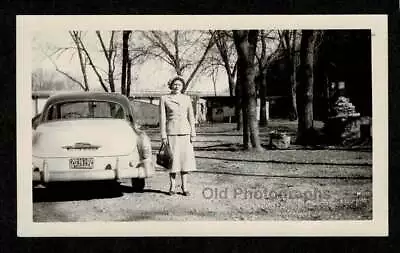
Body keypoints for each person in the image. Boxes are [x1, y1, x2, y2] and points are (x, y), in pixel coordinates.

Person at [159, 76, 196, 196]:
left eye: (179, 85)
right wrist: (163, 135)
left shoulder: (187, 99)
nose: (177, 87)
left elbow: (191, 117)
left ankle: (185, 188)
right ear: (171, 85)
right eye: (175, 84)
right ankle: (172, 187)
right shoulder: (164, 98)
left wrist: (193, 133)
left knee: (185, 161)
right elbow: (162, 118)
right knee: (173, 161)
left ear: (182, 86)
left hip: (185, 132)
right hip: (172, 132)